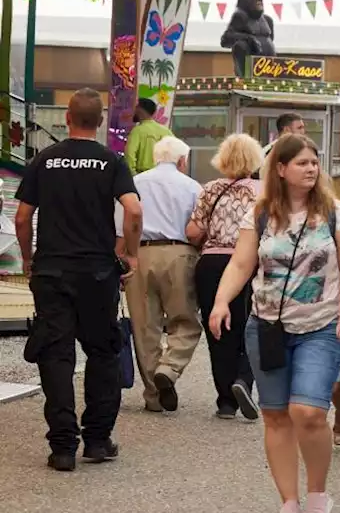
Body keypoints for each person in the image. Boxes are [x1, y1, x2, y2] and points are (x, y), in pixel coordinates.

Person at [208, 133, 340, 513]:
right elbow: (241, 264)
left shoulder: (334, 211)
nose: (311, 169)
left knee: (308, 411)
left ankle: (317, 495)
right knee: (276, 416)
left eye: (315, 162)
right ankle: (289, 501)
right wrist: (222, 301)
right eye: (302, 163)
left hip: (321, 326)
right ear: (280, 169)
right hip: (267, 327)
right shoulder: (260, 214)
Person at [16, 88, 140, 471]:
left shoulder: (44, 160)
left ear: (67, 118)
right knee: (103, 352)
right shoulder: (110, 162)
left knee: (56, 355)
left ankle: (63, 447)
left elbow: (22, 217)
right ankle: (98, 441)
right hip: (98, 272)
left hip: (52, 270)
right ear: (100, 122)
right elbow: (133, 210)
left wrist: (27, 257)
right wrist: (129, 252)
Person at [121, 136, 204, 414]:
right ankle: (169, 369)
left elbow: (122, 226)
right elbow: (199, 228)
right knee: (186, 321)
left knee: (145, 327)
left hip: (139, 253)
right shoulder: (193, 187)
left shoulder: (135, 184)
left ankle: (154, 395)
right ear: (182, 160)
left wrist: (122, 259)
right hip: (180, 254)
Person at [187, 133, 264, 420]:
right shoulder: (264, 191)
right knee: (251, 324)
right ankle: (244, 379)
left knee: (217, 329)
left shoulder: (209, 189)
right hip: (249, 262)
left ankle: (225, 402)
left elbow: (192, 232)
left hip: (211, 263)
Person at [124, 98, 173, 175]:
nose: (133, 111)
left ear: (140, 110)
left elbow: (129, 155)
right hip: (164, 175)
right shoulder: (166, 131)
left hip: (143, 175)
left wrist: (133, 175)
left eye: (136, 107)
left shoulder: (137, 131)